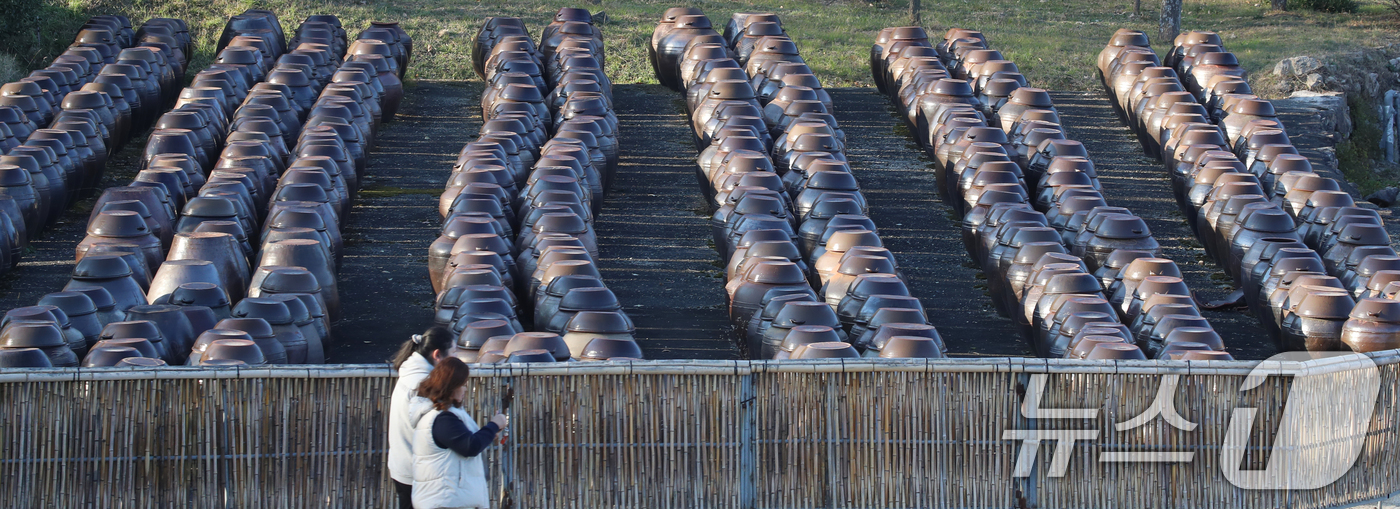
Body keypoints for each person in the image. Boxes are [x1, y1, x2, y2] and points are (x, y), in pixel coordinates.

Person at [409, 357, 509, 509]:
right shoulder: (442, 419)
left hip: (446, 500)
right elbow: (470, 446)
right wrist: (494, 425)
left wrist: (488, 433)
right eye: (463, 384)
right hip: (445, 502)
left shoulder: (440, 416)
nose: (465, 389)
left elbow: (465, 441)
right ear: (452, 386)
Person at [387, 327, 457, 509]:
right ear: (437, 355)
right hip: (419, 474)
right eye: (453, 353)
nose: (456, 360)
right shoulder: (424, 384)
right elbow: (437, 430)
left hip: (403, 466)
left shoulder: (409, 374)